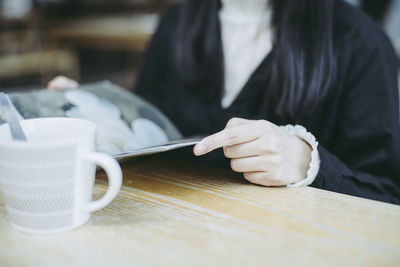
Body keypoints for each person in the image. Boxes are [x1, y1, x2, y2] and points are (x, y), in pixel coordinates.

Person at [48, 0, 400, 204]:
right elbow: (151, 127)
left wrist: (310, 164)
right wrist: (98, 111)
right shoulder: (176, 23)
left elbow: (388, 194)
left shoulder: (360, 42)